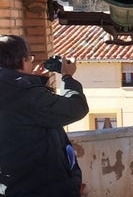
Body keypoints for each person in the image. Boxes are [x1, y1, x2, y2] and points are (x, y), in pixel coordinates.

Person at [0, 35, 89, 197]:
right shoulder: (24, 95)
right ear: (22, 61)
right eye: (29, 59)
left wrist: (30, 80)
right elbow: (77, 108)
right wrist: (68, 78)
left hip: (12, 186)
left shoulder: (12, 90)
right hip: (42, 188)